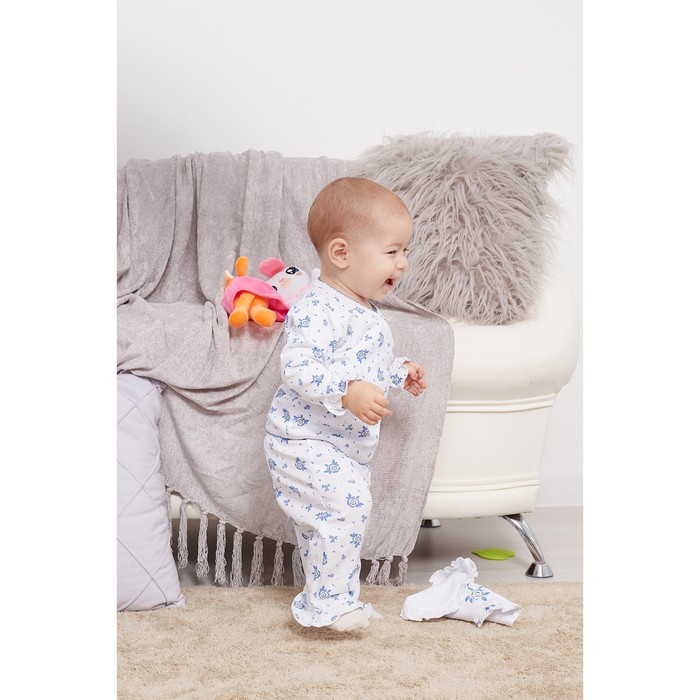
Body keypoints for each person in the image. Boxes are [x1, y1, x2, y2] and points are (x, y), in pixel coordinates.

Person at [264, 177, 427, 632]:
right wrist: (346, 391)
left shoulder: (362, 309)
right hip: (304, 440)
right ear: (341, 253)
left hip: (343, 445)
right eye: (392, 251)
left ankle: (330, 598)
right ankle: (331, 605)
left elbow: (363, 363)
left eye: (405, 251)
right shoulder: (317, 308)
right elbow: (298, 368)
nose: (403, 262)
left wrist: (398, 370)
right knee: (343, 514)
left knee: (334, 522)